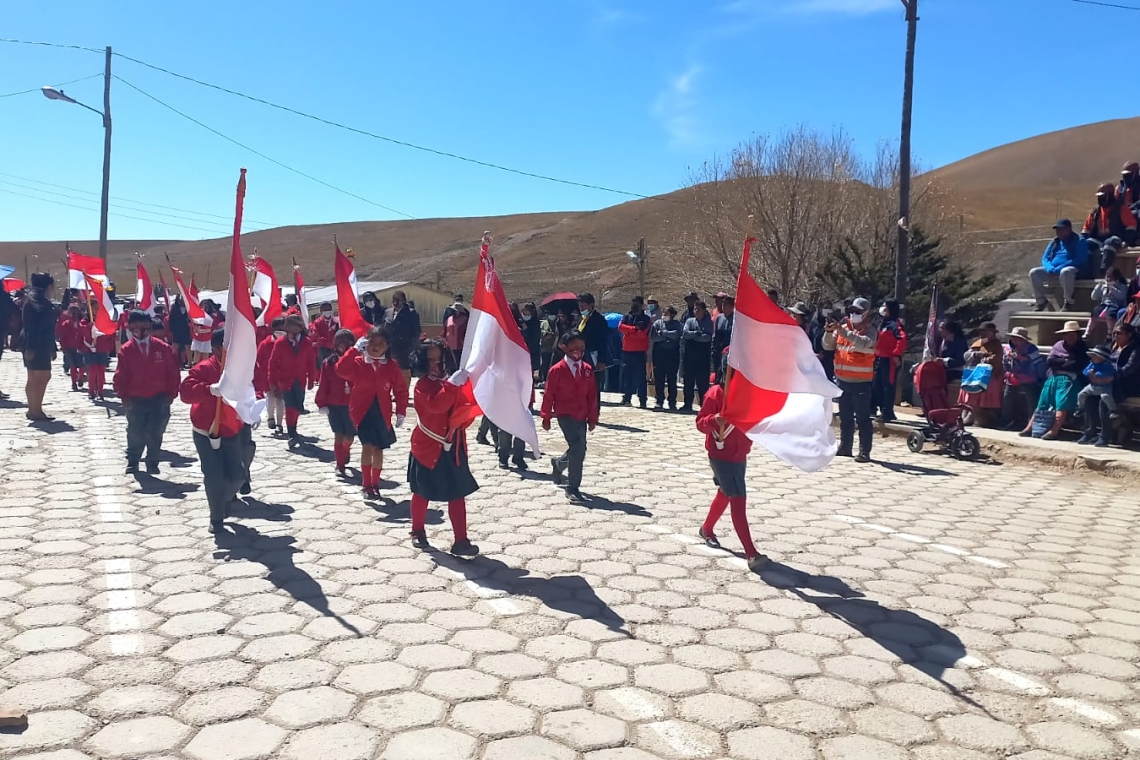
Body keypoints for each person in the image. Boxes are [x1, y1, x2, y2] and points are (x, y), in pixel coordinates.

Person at [695, 355, 768, 572]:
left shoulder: (746, 394)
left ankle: (707, 529)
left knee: (725, 493)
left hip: (740, 453)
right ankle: (751, 553)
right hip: (721, 455)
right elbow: (700, 423)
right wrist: (716, 419)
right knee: (737, 498)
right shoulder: (715, 393)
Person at [407, 339, 480, 555]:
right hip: (428, 447)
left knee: (457, 494)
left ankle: (461, 540)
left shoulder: (447, 382)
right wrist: (452, 386)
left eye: (438, 358)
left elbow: (461, 412)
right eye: (430, 359)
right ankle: (417, 530)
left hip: (453, 447)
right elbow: (437, 406)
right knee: (422, 492)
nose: (435, 363)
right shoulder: (422, 386)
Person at [180, 329, 254, 534]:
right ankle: (216, 517)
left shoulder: (241, 369)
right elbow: (185, 393)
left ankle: (223, 500)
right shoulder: (203, 368)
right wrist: (209, 389)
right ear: (215, 349)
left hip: (232, 429)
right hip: (207, 430)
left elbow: (252, 390)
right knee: (214, 476)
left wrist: (253, 410)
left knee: (238, 475)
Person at [337, 325, 409, 498]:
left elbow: (400, 390)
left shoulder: (391, 366)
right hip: (362, 411)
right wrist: (353, 350)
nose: (376, 346)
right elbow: (341, 370)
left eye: (381, 343)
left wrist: (401, 411)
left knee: (379, 449)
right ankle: (366, 484)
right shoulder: (358, 362)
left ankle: (375, 483)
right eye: (372, 342)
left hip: (382, 412)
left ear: (387, 346)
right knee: (367, 446)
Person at [114, 310, 181, 474]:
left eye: (144, 326)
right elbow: (121, 375)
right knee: (135, 431)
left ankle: (152, 462)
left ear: (150, 326)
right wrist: (123, 396)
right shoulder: (126, 350)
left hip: (159, 398)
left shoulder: (163, 349)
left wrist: (171, 394)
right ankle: (133, 461)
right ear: (129, 327)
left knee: (156, 431)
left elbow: (173, 373)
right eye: (135, 327)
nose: (140, 330)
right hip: (135, 399)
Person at [542, 331, 599, 501]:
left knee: (579, 450)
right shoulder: (557, 370)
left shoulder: (587, 370)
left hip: (581, 415)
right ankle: (572, 488)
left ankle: (559, 464)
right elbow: (549, 394)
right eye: (574, 347)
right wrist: (546, 416)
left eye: (581, 347)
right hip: (565, 415)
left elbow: (592, 395)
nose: (578, 351)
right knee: (577, 449)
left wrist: (593, 417)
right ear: (565, 348)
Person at [823, 298, 876, 462]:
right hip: (842, 381)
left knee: (863, 418)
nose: (854, 314)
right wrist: (828, 332)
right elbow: (827, 346)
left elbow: (863, 344)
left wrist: (843, 331)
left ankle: (864, 451)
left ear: (867, 313)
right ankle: (845, 447)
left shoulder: (870, 331)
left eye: (858, 312)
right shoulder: (842, 329)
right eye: (852, 311)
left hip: (861, 383)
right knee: (845, 418)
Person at [1021, 320, 1089, 440]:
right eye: (1068, 334)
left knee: (1061, 403)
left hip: (1070, 380)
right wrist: (1066, 362)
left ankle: (1054, 430)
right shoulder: (1058, 345)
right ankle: (1030, 427)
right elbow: (1050, 362)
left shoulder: (1082, 348)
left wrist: (1061, 363)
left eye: (1073, 334)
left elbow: (1077, 365)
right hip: (1053, 376)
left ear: (1078, 335)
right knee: (1043, 400)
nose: (1070, 337)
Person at [269, 314, 318, 447]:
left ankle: (293, 427)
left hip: (300, 380)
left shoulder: (307, 342)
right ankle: (292, 433)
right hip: (285, 380)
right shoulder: (280, 342)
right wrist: (272, 382)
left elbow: (310, 361)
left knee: (297, 407)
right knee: (289, 406)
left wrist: (311, 379)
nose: (288, 328)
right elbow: (273, 363)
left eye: (291, 325)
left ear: (299, 327)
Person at [315, 329, 357, 476]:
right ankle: (339, 465)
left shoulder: (358, 361)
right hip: (334, 404)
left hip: (352, 405)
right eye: (340, 344)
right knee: (338, 434)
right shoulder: (328, 363)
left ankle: (346, 449)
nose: (343, 347)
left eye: (347, 344)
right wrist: (321, 403)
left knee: (349, 436)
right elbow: (323, 384)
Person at [1030, 219, 1090, 312]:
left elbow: (1080, 259)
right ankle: (1041, 301)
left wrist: (1060, 267)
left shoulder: (1079, 240)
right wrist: (1049, 268)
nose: (1059, 232)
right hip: (1053, 271)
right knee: (1034, 272)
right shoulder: (1055, 242)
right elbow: (1045, 258)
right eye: (1057, 230)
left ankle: (1068, 301)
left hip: (1073, 271)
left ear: (1069, 229)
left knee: (1065, 271)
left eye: (1062, 229)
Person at [21, 273, 58, 421]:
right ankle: (35, 409)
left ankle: (34, 409)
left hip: (36, 343)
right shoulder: (37, 302)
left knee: (34, 377)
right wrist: (31, 347)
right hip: (37, 344)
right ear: (48, 286)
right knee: (41, 376)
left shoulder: (35, 300)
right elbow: (33, 327)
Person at [1000, 327, 1047, 431]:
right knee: (1007, 398)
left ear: (1023, 339)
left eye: (1018, 338)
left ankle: (1032, 423)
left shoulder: (1032, 349)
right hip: (1012, 378)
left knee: (1031, 400)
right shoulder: (1007, 348)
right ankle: (1006, 421)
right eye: (1013, 337)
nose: (1014, 340)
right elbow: (1004, 363)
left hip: (1029, 378)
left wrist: (1041, 378)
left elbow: (1039, 364)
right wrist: (1006, 373)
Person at [1082, 183, 1138, 270]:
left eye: (1103, 196)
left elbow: (1131, 226)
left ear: (1110, 195)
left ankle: (1104, 269)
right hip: (1099, 240)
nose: (1100, 198)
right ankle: (1084, 272)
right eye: (1099, 196)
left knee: (1110, 242)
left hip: (1117, 238)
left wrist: (1127, 240)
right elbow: (1086, 230)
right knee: (1085, 244)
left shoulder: (1121, 208)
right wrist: (1082, 241)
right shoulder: (1095, 211)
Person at [870, 300, 906, 423]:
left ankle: (888, 412)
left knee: (888, 386)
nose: (883, 308)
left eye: (885, 306)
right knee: (877, 385)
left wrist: (896, 354)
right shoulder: (884, 323)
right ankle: (876, 409)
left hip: (889, 360)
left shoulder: (894, 325)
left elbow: (902, 339)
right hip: (879, 358)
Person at [1076, 346, 1117, 446]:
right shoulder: (1092, 364)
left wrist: (1097, 375)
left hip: (1106, 387)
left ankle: (1105, 434)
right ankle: (1089, 431)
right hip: (1093, 387)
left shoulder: (1107, 365)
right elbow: (1085, 371)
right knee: (1085, 397)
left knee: (1105, 399)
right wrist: (1090, 374)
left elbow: (1109, 374)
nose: (1093, 358)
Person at [680, 301, 714, 413]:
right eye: (695, 309)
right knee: (688, 381)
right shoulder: (690, 321)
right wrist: (696, 333)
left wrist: (694, 336)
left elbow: (707, 337)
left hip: (702, 357)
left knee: (702, 383)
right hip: (689, 356)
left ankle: (704, 405)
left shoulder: (709, 322)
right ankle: (687, 404)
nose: (696, 311)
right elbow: (685, 334)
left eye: (698, 309)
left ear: (704, 310)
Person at [618, 296, 651, 408]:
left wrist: (629, 332)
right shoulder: (627, 316)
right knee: (627, 377)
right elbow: (620, 327)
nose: (634, 305)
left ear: (641, 305)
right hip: (627, 351)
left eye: (636, 303)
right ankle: (627, 398)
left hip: (640, 352)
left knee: (641, 377)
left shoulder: (646, 319)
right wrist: (634, 330)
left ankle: (642, 400)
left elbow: (643, 334)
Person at [576, 293, 610, 400]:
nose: (581, 308)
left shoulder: (599, 320)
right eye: (580, 305)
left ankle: (594, 412)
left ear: (591, 305)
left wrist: (601, 360)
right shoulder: (581, 319)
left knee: (593, 386)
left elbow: (603, 341)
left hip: (593, 357)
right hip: (581, 356)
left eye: (583, 305)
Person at [384, 290, 421, 383]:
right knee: (389, 371)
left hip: (405, 348)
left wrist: (412, 347)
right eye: (394, 300)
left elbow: (416, 332)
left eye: (398, 300)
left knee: (404, 372)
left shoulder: (411, 313)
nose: (396, 303)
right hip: (390, 347)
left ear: (404, 301)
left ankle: (404, 393)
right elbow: (384, 327)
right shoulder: (388, 312)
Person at [256, 317, 285, 433]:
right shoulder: (265, 344)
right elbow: (259, 359)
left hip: (283, 376)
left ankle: (279, 423)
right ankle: (270, 418)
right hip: (267, 375)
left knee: (280, 400)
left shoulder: (287, 342)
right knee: (270, 397)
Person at [650, 306, 682, 411]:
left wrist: (663, 333)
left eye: (667, 313)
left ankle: (672, 402)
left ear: (672, 314)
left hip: (672, 355)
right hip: (659, 354)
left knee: (672, 379)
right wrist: (667, 336)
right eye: (664, 313)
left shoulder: (677, 324)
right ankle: (659, 401)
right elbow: (654, 337)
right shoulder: (657, 323)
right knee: (659, 379)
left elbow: (676, 335)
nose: (664, 315)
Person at [1087, 266, 1129, 340]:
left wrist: (1112, 289)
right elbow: (1094, 297)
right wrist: (1098, 287)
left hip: (1115, 305)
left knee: (1110, 314)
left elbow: (1122, 297)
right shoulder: (1103, 286)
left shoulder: (1122, 286)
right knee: (1095, 311)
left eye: (1111, 277)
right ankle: (1088, 332)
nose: (1108, 279)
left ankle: (1110, 334)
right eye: (1107, 277)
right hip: (1104, 304)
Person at [83, 318, 116, 402]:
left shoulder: (105, 320)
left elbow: (110, 334)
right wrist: (88, 327)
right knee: (92, 371)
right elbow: (82, 333)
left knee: (101, 371)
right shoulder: (85, 321)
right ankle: (91, 390)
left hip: (102, 349)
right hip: (91, 349)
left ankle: (100, 391)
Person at [56, 305, 87, 392]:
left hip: (80, 346)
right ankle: (74, 382)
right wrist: (63, 346)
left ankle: (80, 378)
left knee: (81, 365)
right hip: (69, 347)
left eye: (76, 312)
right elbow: (61, 334)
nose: (74, 314)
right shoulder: (66, 323)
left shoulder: (82, 322)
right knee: (73, 365)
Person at [712, 296, 735, 384]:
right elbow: (716, 334)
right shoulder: (719, 318)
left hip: (729, 353)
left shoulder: (735, 319)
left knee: (727, 379)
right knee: (718, 378)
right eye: (723, 305)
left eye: (726, 305)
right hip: (718, 352)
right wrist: (714, 349)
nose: (723, 307)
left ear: (732, 307)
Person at [442, 300, 470, 369]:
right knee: (450, 365)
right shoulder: (449, 319)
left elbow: (467, 332)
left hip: (460, 346)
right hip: (449, 346)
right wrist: (443, 340)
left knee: (459, 365)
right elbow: (444, 331)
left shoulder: (464, 320)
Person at [168, 296, 191, 368]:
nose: (182, 301)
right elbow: (171, 319)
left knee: (187, 346)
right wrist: (172, 329)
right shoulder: (174, 308)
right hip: (177, 330)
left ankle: (190, 362)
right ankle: (172, 362)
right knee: (175, 346)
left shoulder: (188, 308)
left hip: (186, 330)